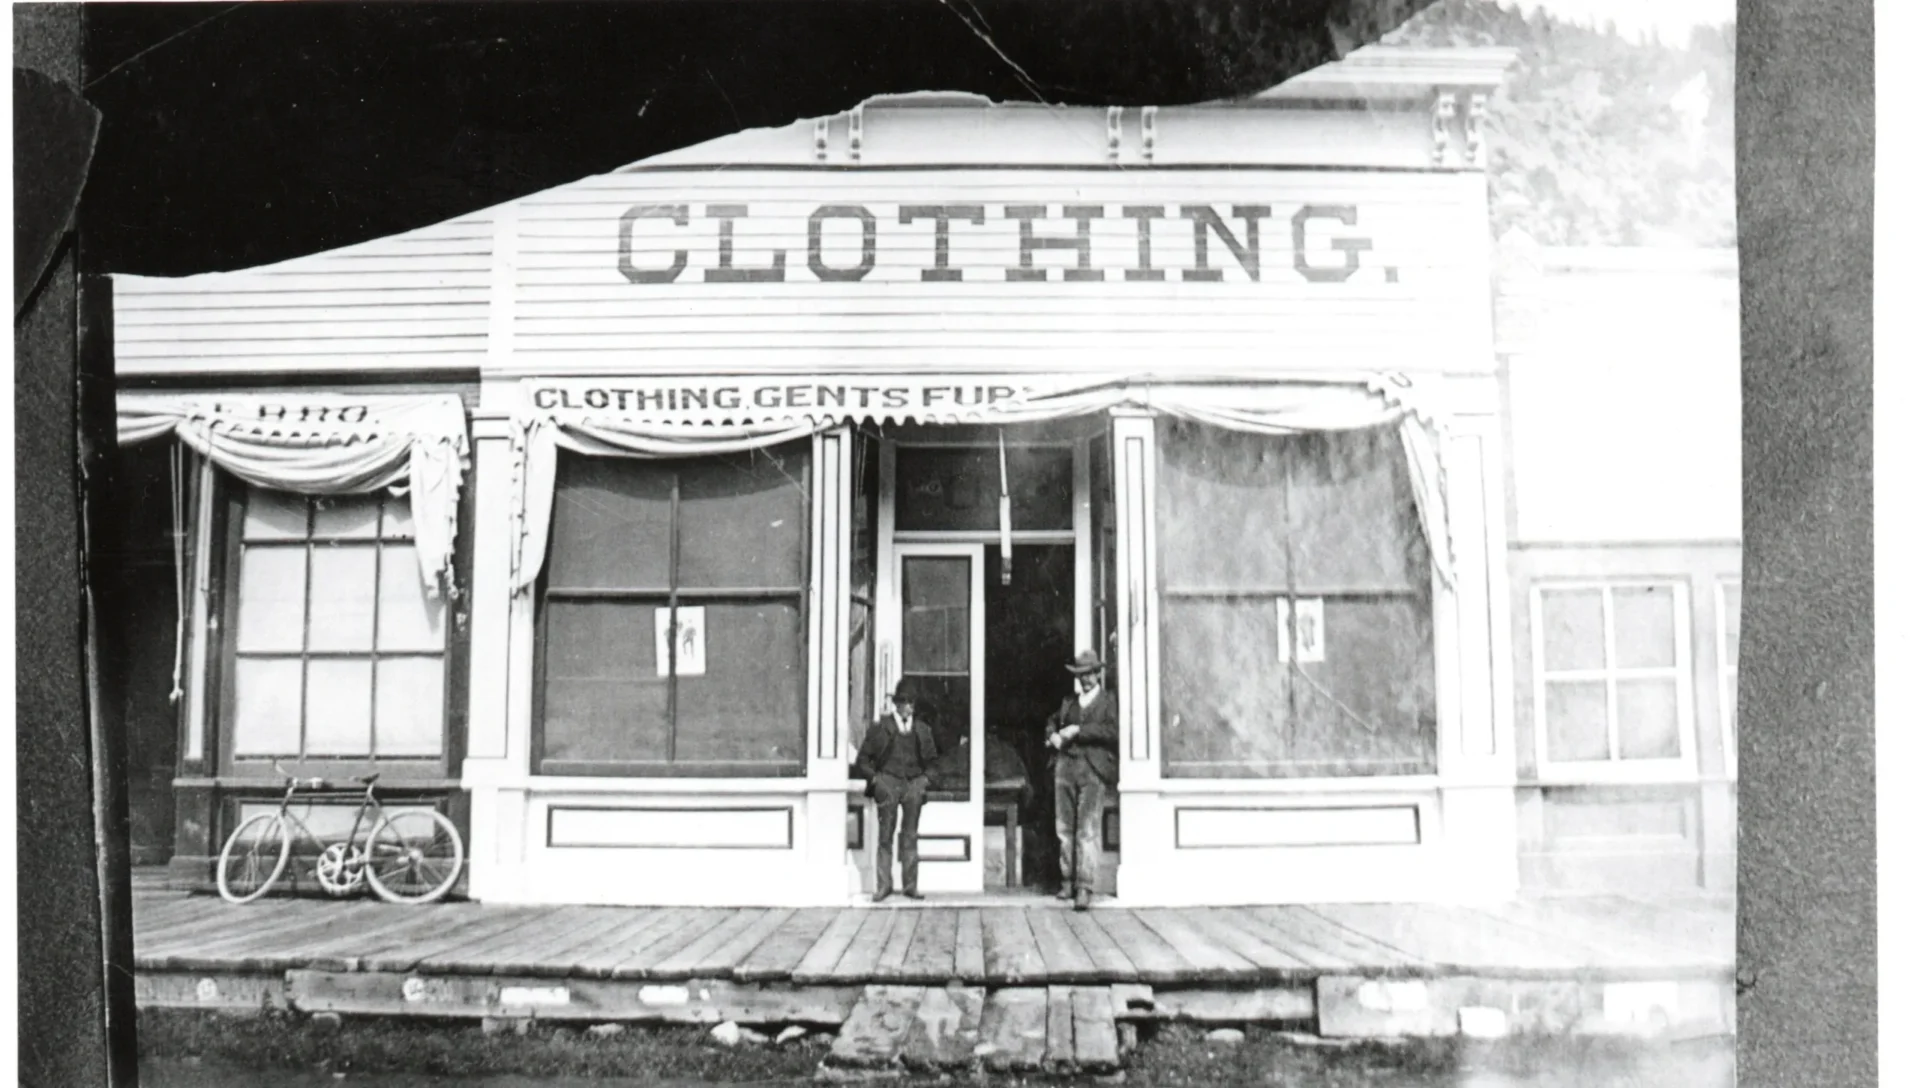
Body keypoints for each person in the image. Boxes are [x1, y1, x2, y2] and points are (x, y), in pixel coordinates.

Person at [852, 680, 940, 902]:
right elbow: (862, 760)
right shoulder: (880, 729)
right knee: (885, 836)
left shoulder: (922, 730)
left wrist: (923, 781)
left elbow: (933, 763)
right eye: (903, 702)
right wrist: (877, 780)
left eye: (910, 702)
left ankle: (910, 886)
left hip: (913, 785)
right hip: (888, 783)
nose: (907, 707)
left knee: (910, 835)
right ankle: (884, 886)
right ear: (896, 704)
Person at [1044, 650, 1119, 911]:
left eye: (1089, 673)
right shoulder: (1068, 702)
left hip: (1093, 769)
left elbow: (1113, 732)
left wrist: (1080, 731)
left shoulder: (1108, 702)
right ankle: (1067, 880)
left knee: (1087, 829)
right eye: (1081, 675)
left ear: (1098, 673)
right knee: (1064, 828)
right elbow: (1051, 722)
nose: (1085, 679)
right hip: (1065, 767)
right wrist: (1053, 734)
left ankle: (1084, 886)